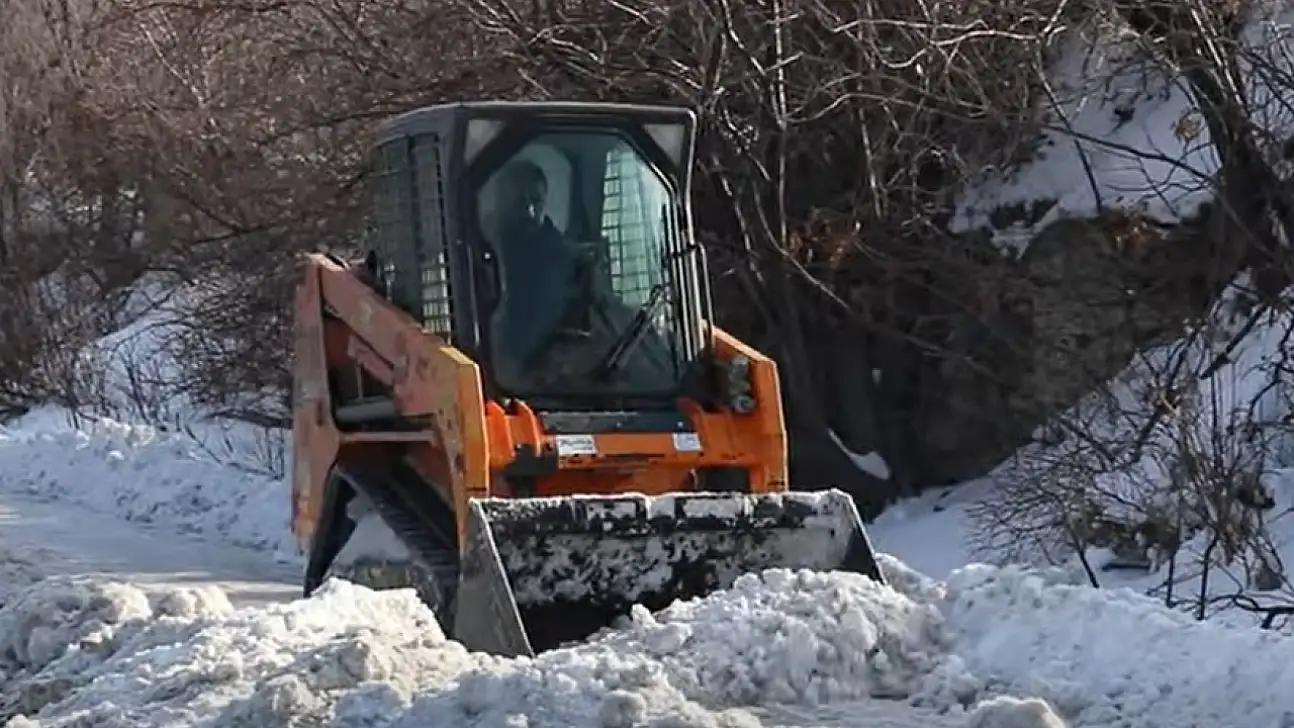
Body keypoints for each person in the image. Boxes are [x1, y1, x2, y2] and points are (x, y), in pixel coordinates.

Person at [489, 160, 583, 383]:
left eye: (536, 201)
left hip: (551, 371)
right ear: (501, 202)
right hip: (493, 368)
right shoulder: (480, 250)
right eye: (520, 202)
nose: (530, 211)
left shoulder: (564, 259)